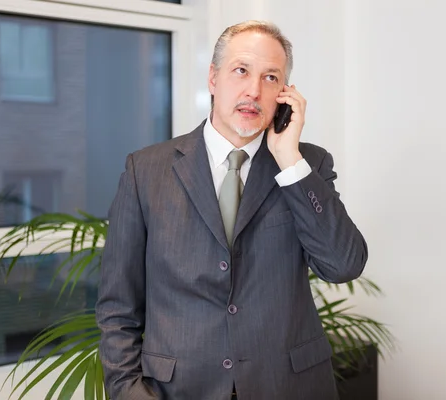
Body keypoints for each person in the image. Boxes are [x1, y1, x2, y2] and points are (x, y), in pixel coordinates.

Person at [95, 20, 368, 400]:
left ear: (286, 93)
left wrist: (289, 160)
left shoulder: (308, 166)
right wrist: (128, 392)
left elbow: (344, 266)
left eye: (271, 78)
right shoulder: (145, 171)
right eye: (241, 70)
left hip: (288, 388)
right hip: (178, 390)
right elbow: (118, 308)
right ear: (213, 78)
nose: (253, 91)